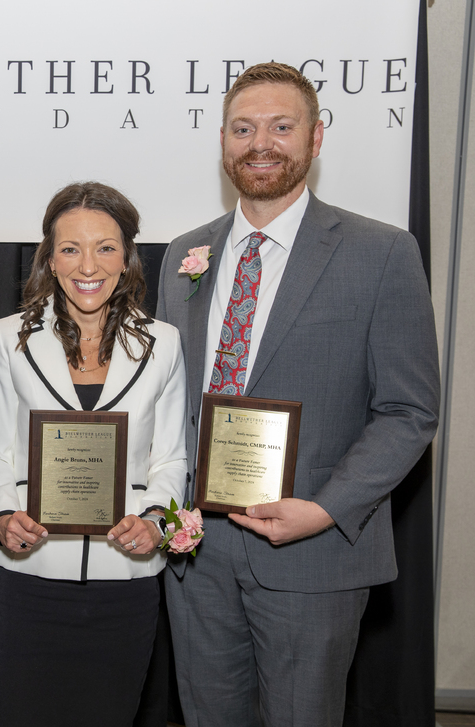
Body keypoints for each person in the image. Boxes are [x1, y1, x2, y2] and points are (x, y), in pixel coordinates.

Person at [156, 62, 440, 727]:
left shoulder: (383, 253)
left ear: (315, 139)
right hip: (197, 554)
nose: (262, 143)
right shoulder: (183, 255)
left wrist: (326, 508)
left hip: (314, 552)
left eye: (282, 127)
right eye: (244, 127)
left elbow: (409, 411)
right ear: (223, 141)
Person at [0, 181, 188, 726]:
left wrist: (155, 522)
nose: (87, 264)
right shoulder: (8, 338)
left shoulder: (163, 343)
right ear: (49, 257)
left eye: (105, 247)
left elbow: (171, 457)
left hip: (127, 578)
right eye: (70, 248)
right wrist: (0, 515)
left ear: (127, 257)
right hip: (29, 571)